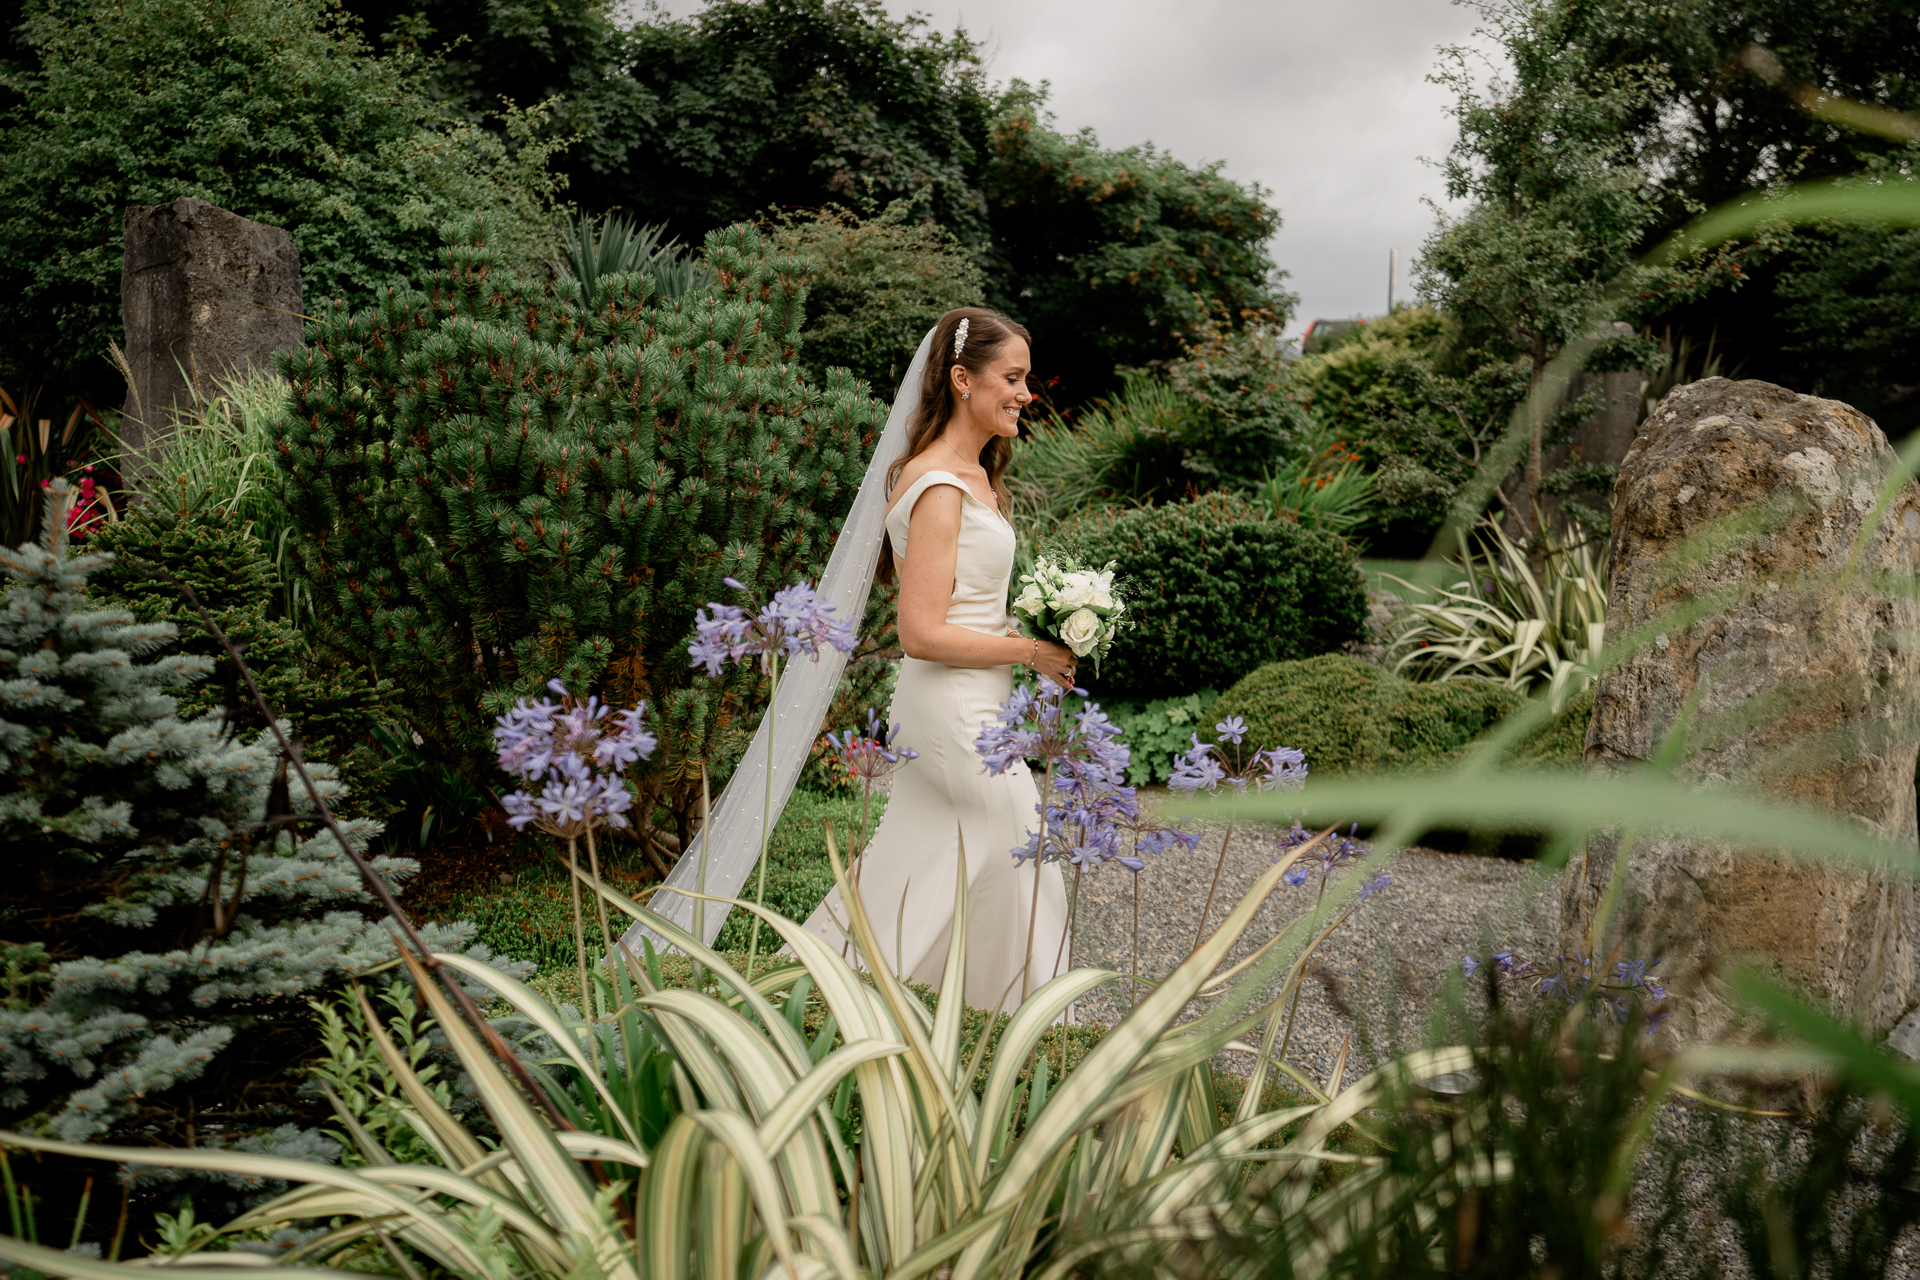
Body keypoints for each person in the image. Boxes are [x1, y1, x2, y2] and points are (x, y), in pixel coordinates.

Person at [798, 308, 1074, 1011]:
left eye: (1025, 379)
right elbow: (919, 631)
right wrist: (1031, 648)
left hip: (979, 700)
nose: (1025, 394)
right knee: (1025, 856)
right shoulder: (940, 485)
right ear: (961, 379)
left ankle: (831, 996)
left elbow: (971, 605)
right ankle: (1023, 1027)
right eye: (1011, 378)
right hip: (950, 707)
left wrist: (1053, 619)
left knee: (920, 860)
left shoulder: (977, 478)